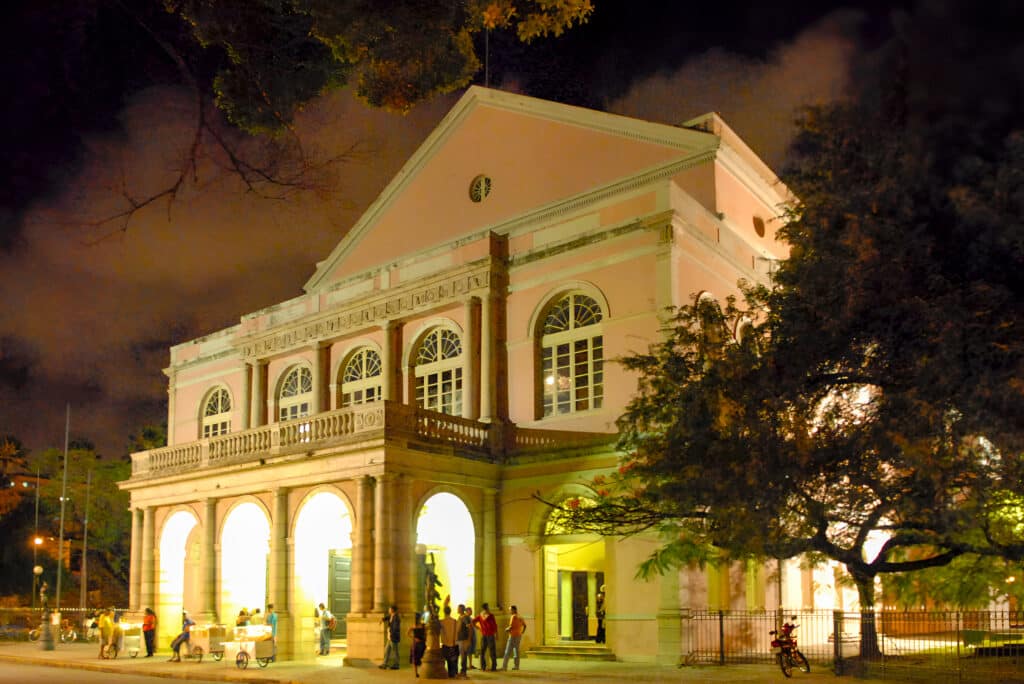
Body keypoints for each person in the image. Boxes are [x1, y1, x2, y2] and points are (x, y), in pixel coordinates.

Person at [474, 603, 498, 672]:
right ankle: (494, 667)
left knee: (482, 651)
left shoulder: (480, 616)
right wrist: (496, 634)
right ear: (487, 608)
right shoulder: (491, 616)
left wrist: (478, 627)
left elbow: (473, 621)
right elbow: (495, 625)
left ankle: (483, 667)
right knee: (492, 651)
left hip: (484, 635)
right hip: (490, 635)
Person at [501, 605, 526, 671]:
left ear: (514, 610)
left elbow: (511, 626)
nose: (509, 611)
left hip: (512, 636)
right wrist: (522, 632)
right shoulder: (520, 616)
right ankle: (516, 666)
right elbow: (525, 625)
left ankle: (504, 666)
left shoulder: (513, 616)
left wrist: (506, 629)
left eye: (510, 610)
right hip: (518, 636)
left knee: (507, 651)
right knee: (516, 651)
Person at [379, 603, 401, 670]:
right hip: (390, 637)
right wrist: (382, 619)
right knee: (387, 651)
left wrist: (391, 635)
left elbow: (395, 628)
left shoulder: (396, 617)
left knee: (395, 651)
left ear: (392, 610)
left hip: (393, 637)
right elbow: (387, 617)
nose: (388, 610)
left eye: (389, 609)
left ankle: (396, 665)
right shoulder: (392, 615)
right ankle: (384, 664)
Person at [439, 604, 458, 678]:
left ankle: (447, 673)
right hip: (453, 643)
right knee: (452, 660)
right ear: (450, 612)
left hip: (445, 643)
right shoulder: (454, 621)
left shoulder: (441, 622)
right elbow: (456, 633)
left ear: (444, 612)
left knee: (445, 660)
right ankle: (452, 673)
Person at [408, 611, 426, 678]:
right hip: (417, 644)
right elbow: (408, 633)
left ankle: (419, 672)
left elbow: (426, 634)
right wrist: (414, 638)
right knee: (416, 658)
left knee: (419, 658)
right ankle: (416, 673)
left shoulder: (422, 625)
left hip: (419, 643)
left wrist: (414, 638)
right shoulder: (415, 626)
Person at [456, 604, 472, 677]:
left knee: (463, 656)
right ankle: (462, 671)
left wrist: (468, 640)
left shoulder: (465, 617)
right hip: (460, 639)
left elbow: (470, 628)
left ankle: (463, 672)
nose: (457, 609)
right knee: (462, 656)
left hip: (463, 640)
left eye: (458, 608)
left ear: (462, 609)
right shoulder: (460, 617)